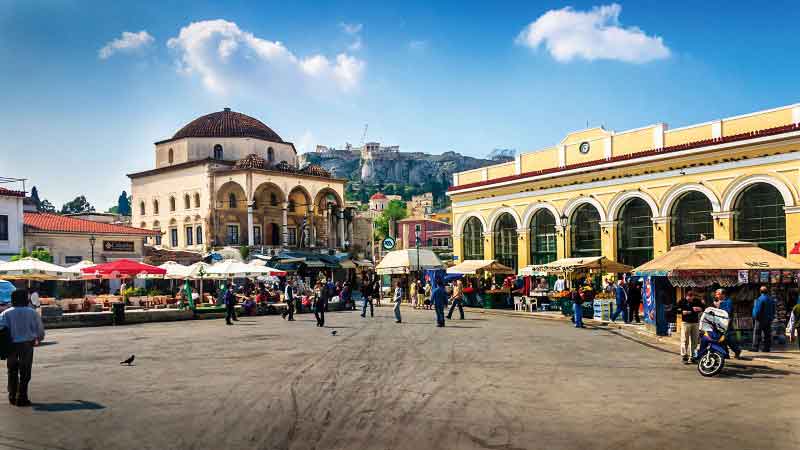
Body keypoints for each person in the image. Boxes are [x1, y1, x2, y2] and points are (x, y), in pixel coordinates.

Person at [0, 290, 45, 406]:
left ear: (13, 299)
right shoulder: (32, 312)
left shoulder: (6, 313)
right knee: (25, 372)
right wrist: (39, 339)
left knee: (12, 370)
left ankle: (12, 395)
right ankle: (22, 397)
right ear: (26, 299)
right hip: (27, 345)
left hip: (11, 345)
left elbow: (1, 329)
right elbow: (39, 329)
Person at [677, 290, 703, 364]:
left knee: (695, 341)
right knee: (684, 340)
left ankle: (693, 357)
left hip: (695, 323)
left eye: (692, 298)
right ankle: (684, 356)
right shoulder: (682, 301)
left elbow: (703, 308)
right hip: (685, 323)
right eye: (689, 297)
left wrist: (699, 309)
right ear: (686, 296)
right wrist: (682, 312)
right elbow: (676, 309)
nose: (690, 299)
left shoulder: (697, 301)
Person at [714, 288, 741, 359]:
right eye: (716, 294)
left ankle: (737, 351)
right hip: (719, 323)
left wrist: (719, 306)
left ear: (723, 294)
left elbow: (728, 312)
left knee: (729, 339)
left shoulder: (728, 301)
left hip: (727, 323)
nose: (716, 295)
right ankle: (725, 353)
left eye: (718, 294)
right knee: (720, 338)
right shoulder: (718, 301)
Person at [751, 286, 775, 352]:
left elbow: (757, 310)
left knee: (757, 333)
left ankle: (755, 347)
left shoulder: (760, 299)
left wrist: (755, 317)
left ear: (760, 291)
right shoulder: (771, 299)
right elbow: (773, 309)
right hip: (768, 319)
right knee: (767, 334)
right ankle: (766, 348)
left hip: (760, 319)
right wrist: (772, 317)